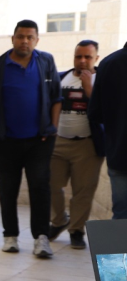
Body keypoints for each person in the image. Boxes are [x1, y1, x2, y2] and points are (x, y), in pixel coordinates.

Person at [0, 20, 62, 258]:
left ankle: (41, 238)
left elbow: (56, 98)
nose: (25, 41)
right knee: (7, 189)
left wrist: (52, 128)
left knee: (40, 187)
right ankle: (10, 236)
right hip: (7, 141)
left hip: (40, 140)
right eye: (20, 36)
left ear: (37, 40)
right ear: (13, 38)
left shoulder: (46, 63)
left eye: (30, 37)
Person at [49, 40, 103, 249]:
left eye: (87, 57)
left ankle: (77, 230)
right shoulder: (61, 78)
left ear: (96, 58)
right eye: (78, 56)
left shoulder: (102, 80)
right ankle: (59, 221)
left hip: (87, 145)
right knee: (50, 185)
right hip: (58, 143)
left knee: (83, 191)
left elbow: (106, 110)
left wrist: (89, 88)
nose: (82, 61)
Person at [89, 42, 127, 219]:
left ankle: (117, 239)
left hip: (119, 153)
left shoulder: (108, 63)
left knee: (120, 214)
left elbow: (95, 113)